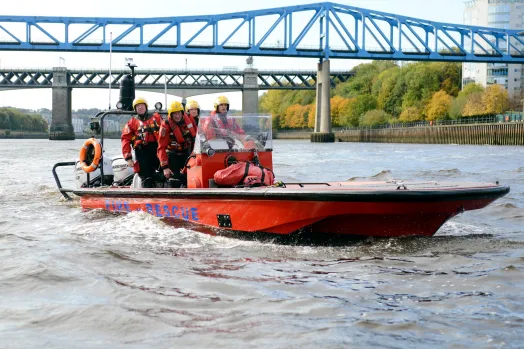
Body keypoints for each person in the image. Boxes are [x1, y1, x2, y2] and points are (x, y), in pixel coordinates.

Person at [121, 97, 163, 187]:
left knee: (165, 172)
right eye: (138, 106)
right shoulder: (132, 122)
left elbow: (166, 132)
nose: (140, 107)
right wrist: (128, 158)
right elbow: (125, 139)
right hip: (141, 152)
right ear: (135, 109)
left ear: (146, 106)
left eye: (142, 105)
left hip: (157, 150)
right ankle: (146, 194)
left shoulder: (157, 118)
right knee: (145, 177)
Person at [157, 101, 197, 184]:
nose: (177, 116)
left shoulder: (189, 118)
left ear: (182, 113)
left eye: (179, 113)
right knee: (175, 180)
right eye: (174, 114)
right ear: (170, 115)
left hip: (187, 153)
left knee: (190, 178)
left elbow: (196, 136)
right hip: (173, 155)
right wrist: (165, 167)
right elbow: (161, 148)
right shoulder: (166, 125)